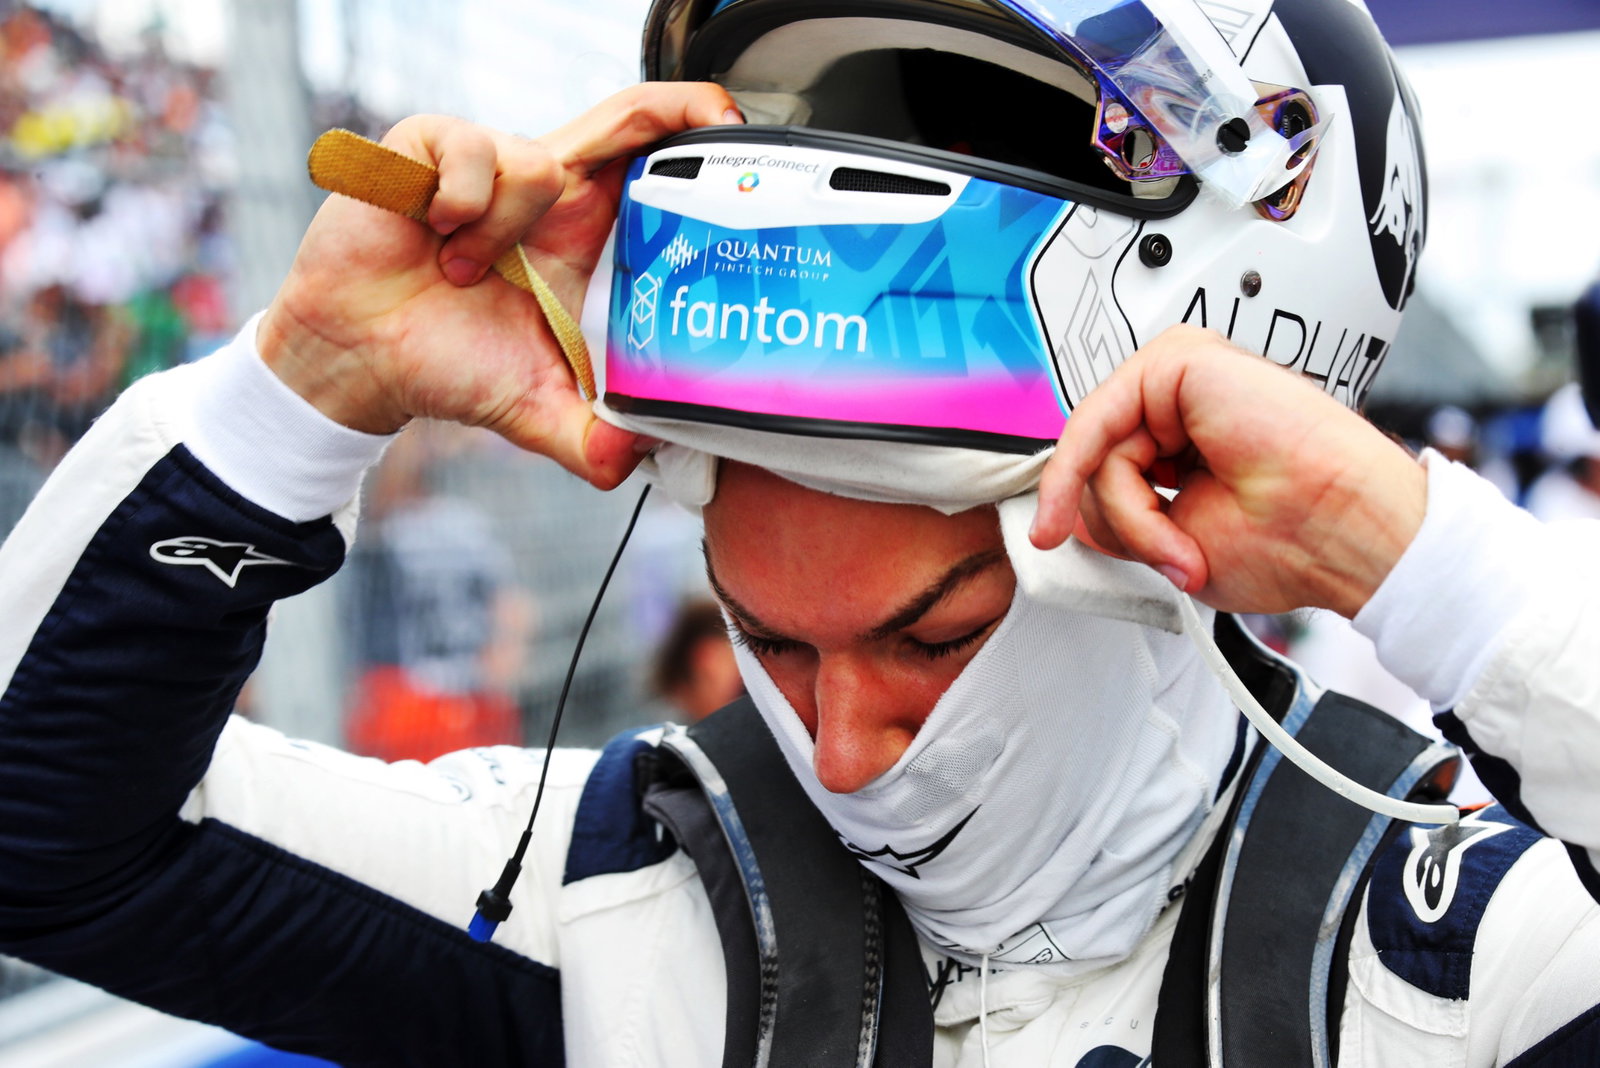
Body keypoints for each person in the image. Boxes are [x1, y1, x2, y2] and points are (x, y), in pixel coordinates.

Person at [2, 3, 1599, 1067]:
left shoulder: (1471, 961)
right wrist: (307, 388)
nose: (839, 750)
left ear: (1170, 518)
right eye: (764, 636)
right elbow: (48, 839)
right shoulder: (617, 888)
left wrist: (1429, 567)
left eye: (932, 638)